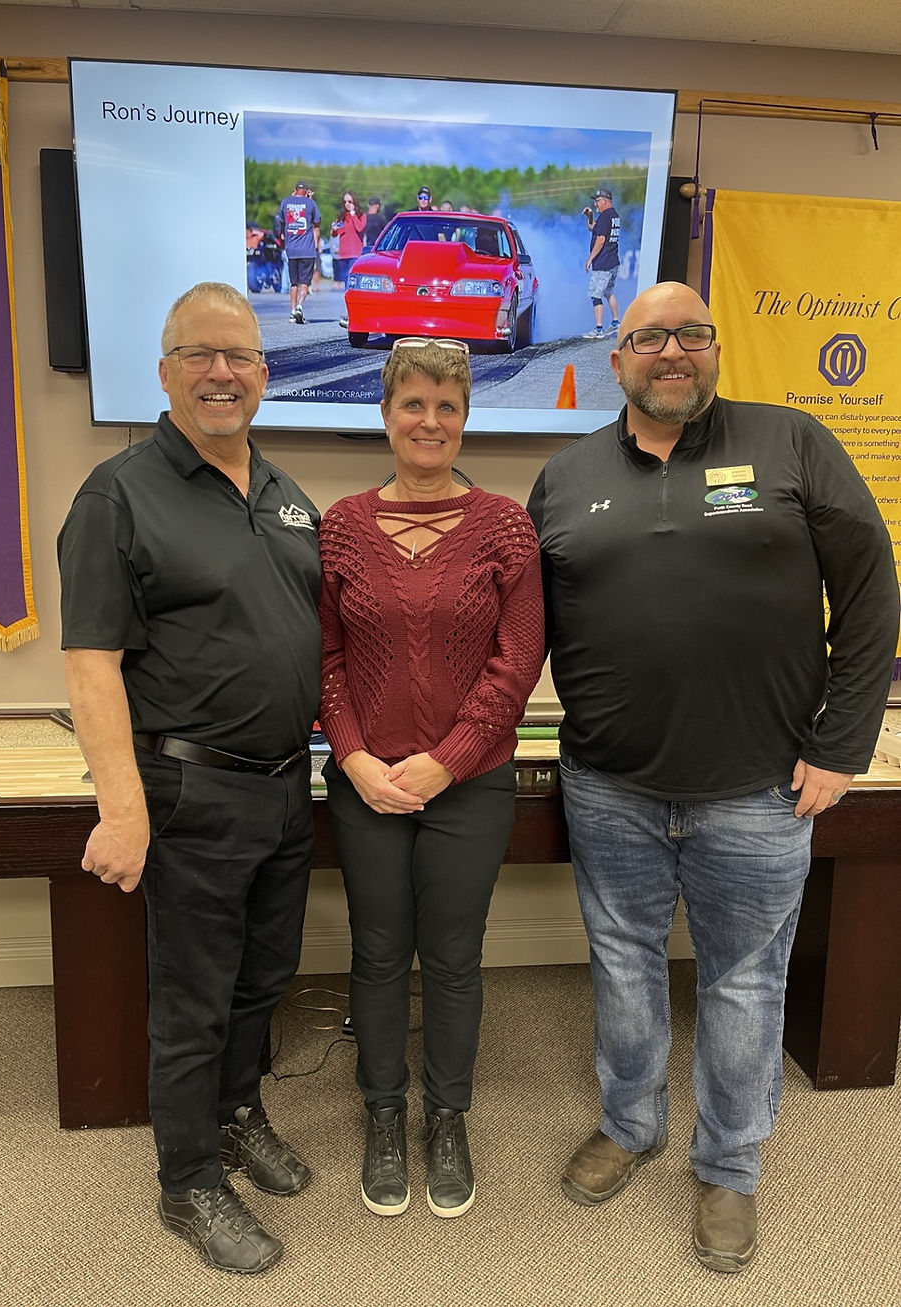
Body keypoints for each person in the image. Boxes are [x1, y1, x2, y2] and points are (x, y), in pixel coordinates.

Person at [527, 281, 899, 1274]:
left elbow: (869, 588)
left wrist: (841, 740)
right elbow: (527, 625)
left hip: (758, 788)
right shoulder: (562, 478)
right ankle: (628, 1122)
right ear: (617, 358)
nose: (670, 352)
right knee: (622, 963)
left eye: (689, 333)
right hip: (608, 784)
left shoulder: (790, 443)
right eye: (649, 337)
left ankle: (728, 1167)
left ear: (713, 348)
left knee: (741, 982)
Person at [57, 282, 322, 1277]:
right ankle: (186, 1180)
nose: (223, 372)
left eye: (241, 358)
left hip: (284, 787)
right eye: (199, 355)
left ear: (264, 372)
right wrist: (122, 807)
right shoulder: (116, 495)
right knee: (194, 997)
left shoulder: (286, 493)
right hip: (190, 791)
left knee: (261, 980)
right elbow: (90, 663)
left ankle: (236, 1112)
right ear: (164, 371)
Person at [318, 337, 544, 1220]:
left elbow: (518, 659)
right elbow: (324, 656)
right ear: (385, 415)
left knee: (452, 957)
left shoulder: (504, 525)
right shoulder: (339, 525)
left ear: (464, 418)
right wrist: (356, 757)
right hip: (366, 784)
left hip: (472, 784)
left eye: (447, 406)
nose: (430, 421)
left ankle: (446, 1116)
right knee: (377, 954)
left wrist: (445, 762)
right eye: (413, 404)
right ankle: (383, 1112)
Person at [276, 180, 321, 323]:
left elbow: (282, 222)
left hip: (291, 249)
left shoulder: (285, 202)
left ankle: (292, 311)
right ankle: (300, 306)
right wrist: (310, 200)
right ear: (307, 191)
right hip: (307, 250)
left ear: (295, 189)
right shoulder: (311, 204)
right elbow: (317, 222)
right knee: (304, 282)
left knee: (293, 282)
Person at [581, 188, 620, 339]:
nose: (595, 204)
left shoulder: (605, 217)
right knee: (608, 292)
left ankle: (598, 329)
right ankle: (616, 323)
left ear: (605, 201)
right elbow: (593, 228)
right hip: (613, 262)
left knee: (595, 295)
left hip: (603, 264)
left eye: (597, 201)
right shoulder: (613, 215)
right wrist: (589, 216)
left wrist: (590, 258)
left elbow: (601, 239)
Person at [332, 190, 367, 327]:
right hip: (343, 254)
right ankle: (348, 313)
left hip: (355, 254)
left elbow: (360, 228)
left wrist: (353, 215)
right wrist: (334, 229)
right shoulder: (342, 216)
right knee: (345, 286)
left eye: (350, 201)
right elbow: (336, 233)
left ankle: (352, 314)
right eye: (345, 202)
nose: (347, 204)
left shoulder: (360, 215)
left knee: (351, 284)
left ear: (355, 202)